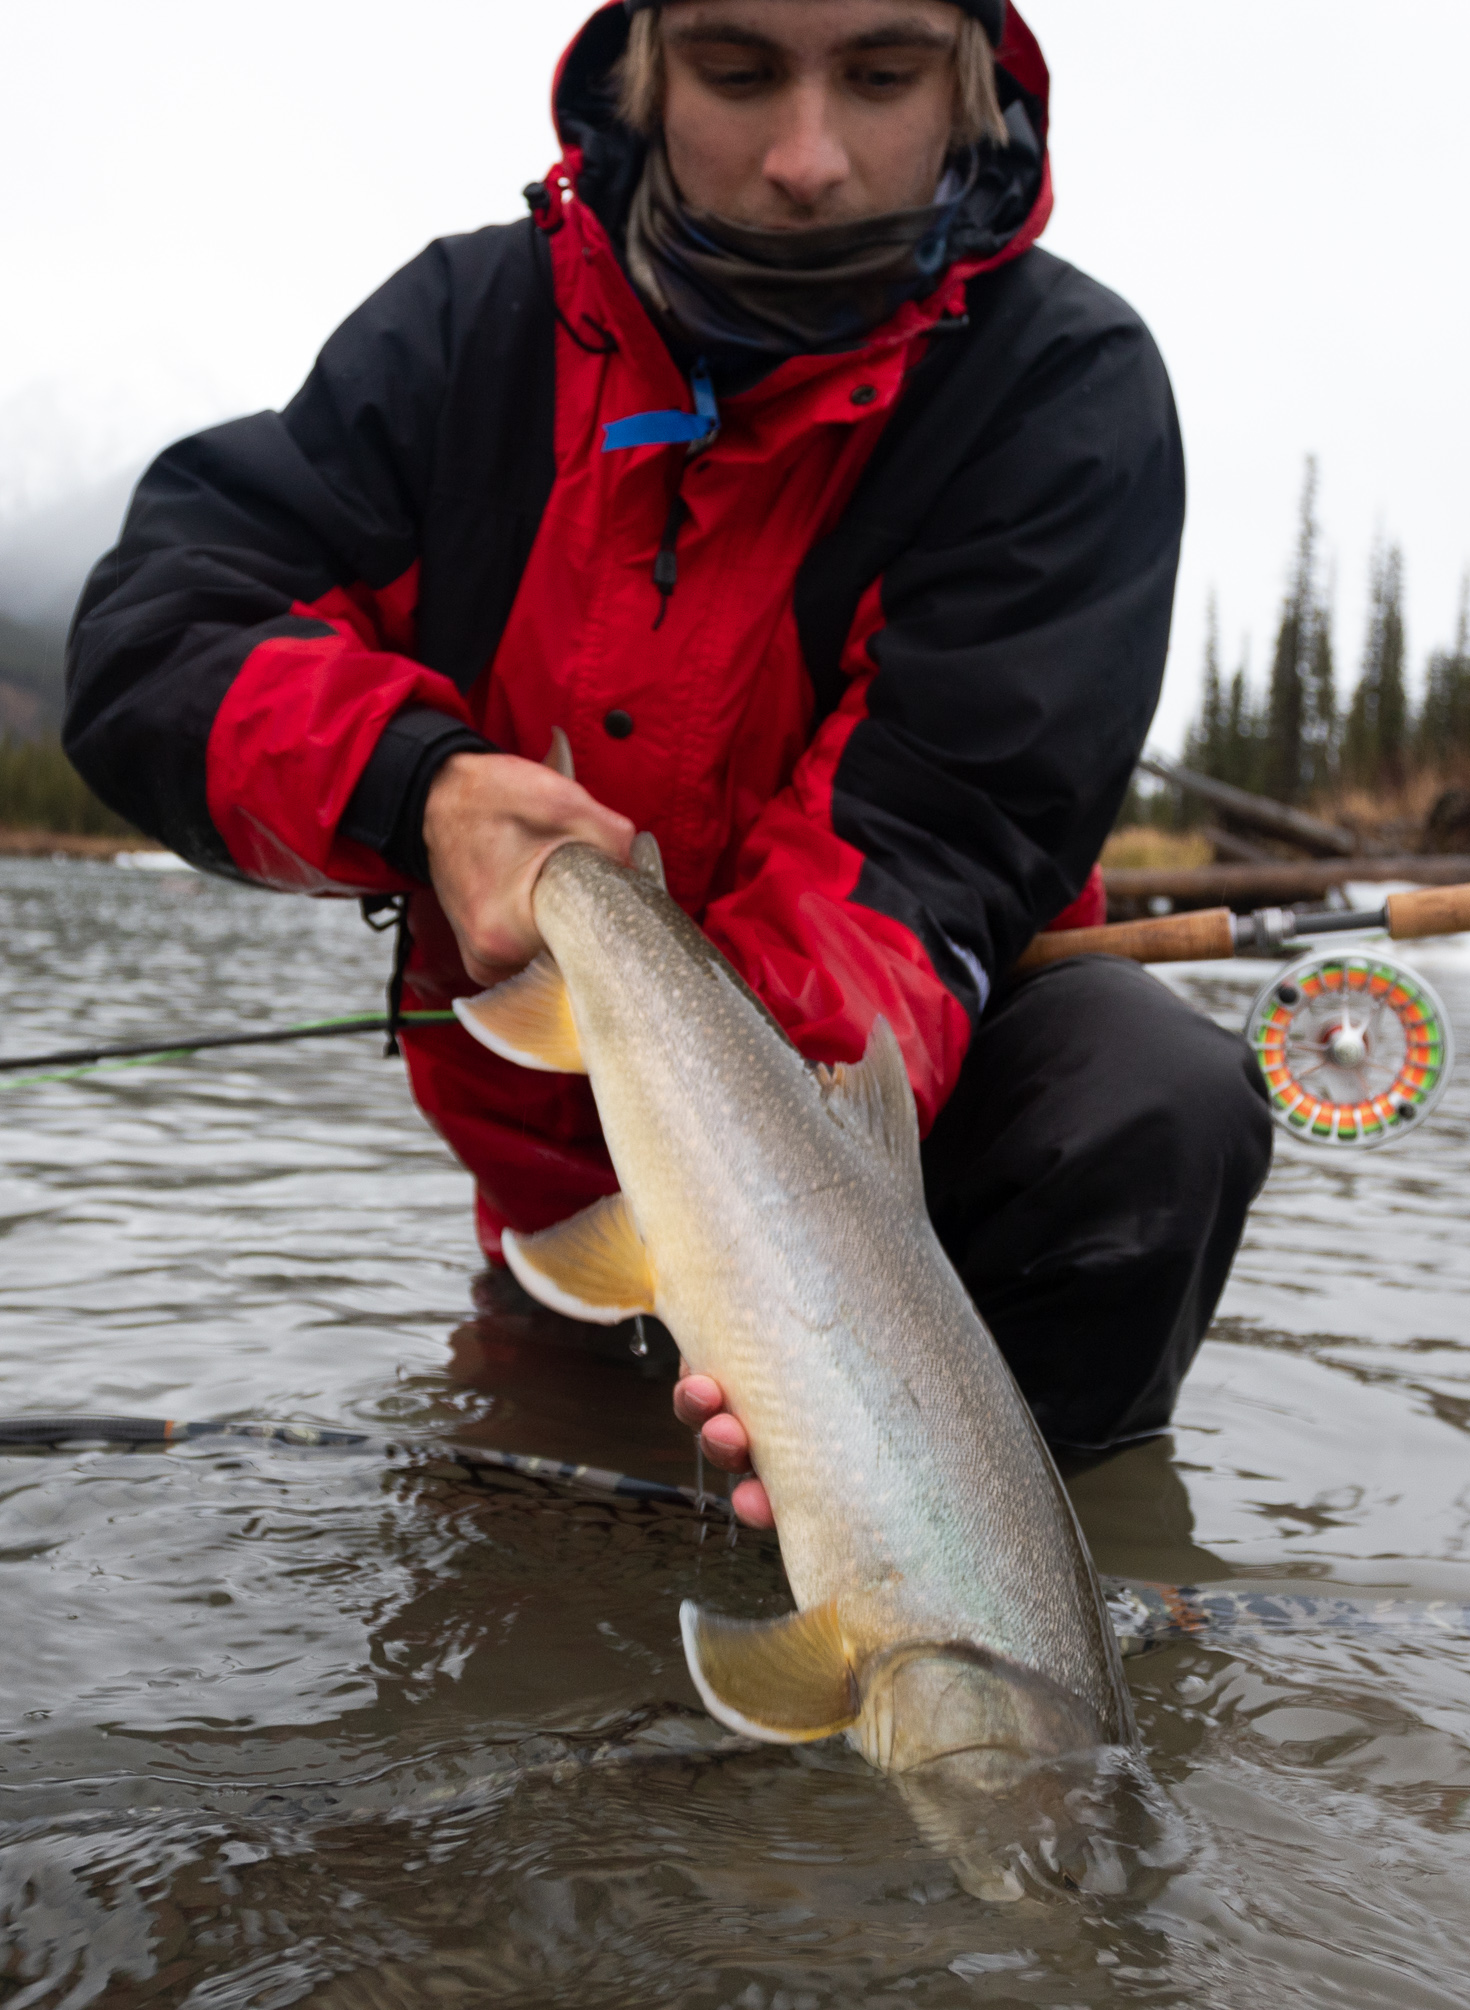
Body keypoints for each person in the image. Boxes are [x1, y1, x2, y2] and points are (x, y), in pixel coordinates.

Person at [65, 0, 1271, 1528]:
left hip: (919, 1129)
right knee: (545, 1617)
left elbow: (930, 842)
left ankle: (1033, 1537)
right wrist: (419, 786)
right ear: (643, 69)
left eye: (882, 77)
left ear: (970, 86)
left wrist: (769, 1271)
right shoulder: (462, 336)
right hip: (558, 1196)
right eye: (739, 69)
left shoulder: (1057, 389)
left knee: (1156, 1098)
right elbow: (159, 636)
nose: (808, 156)